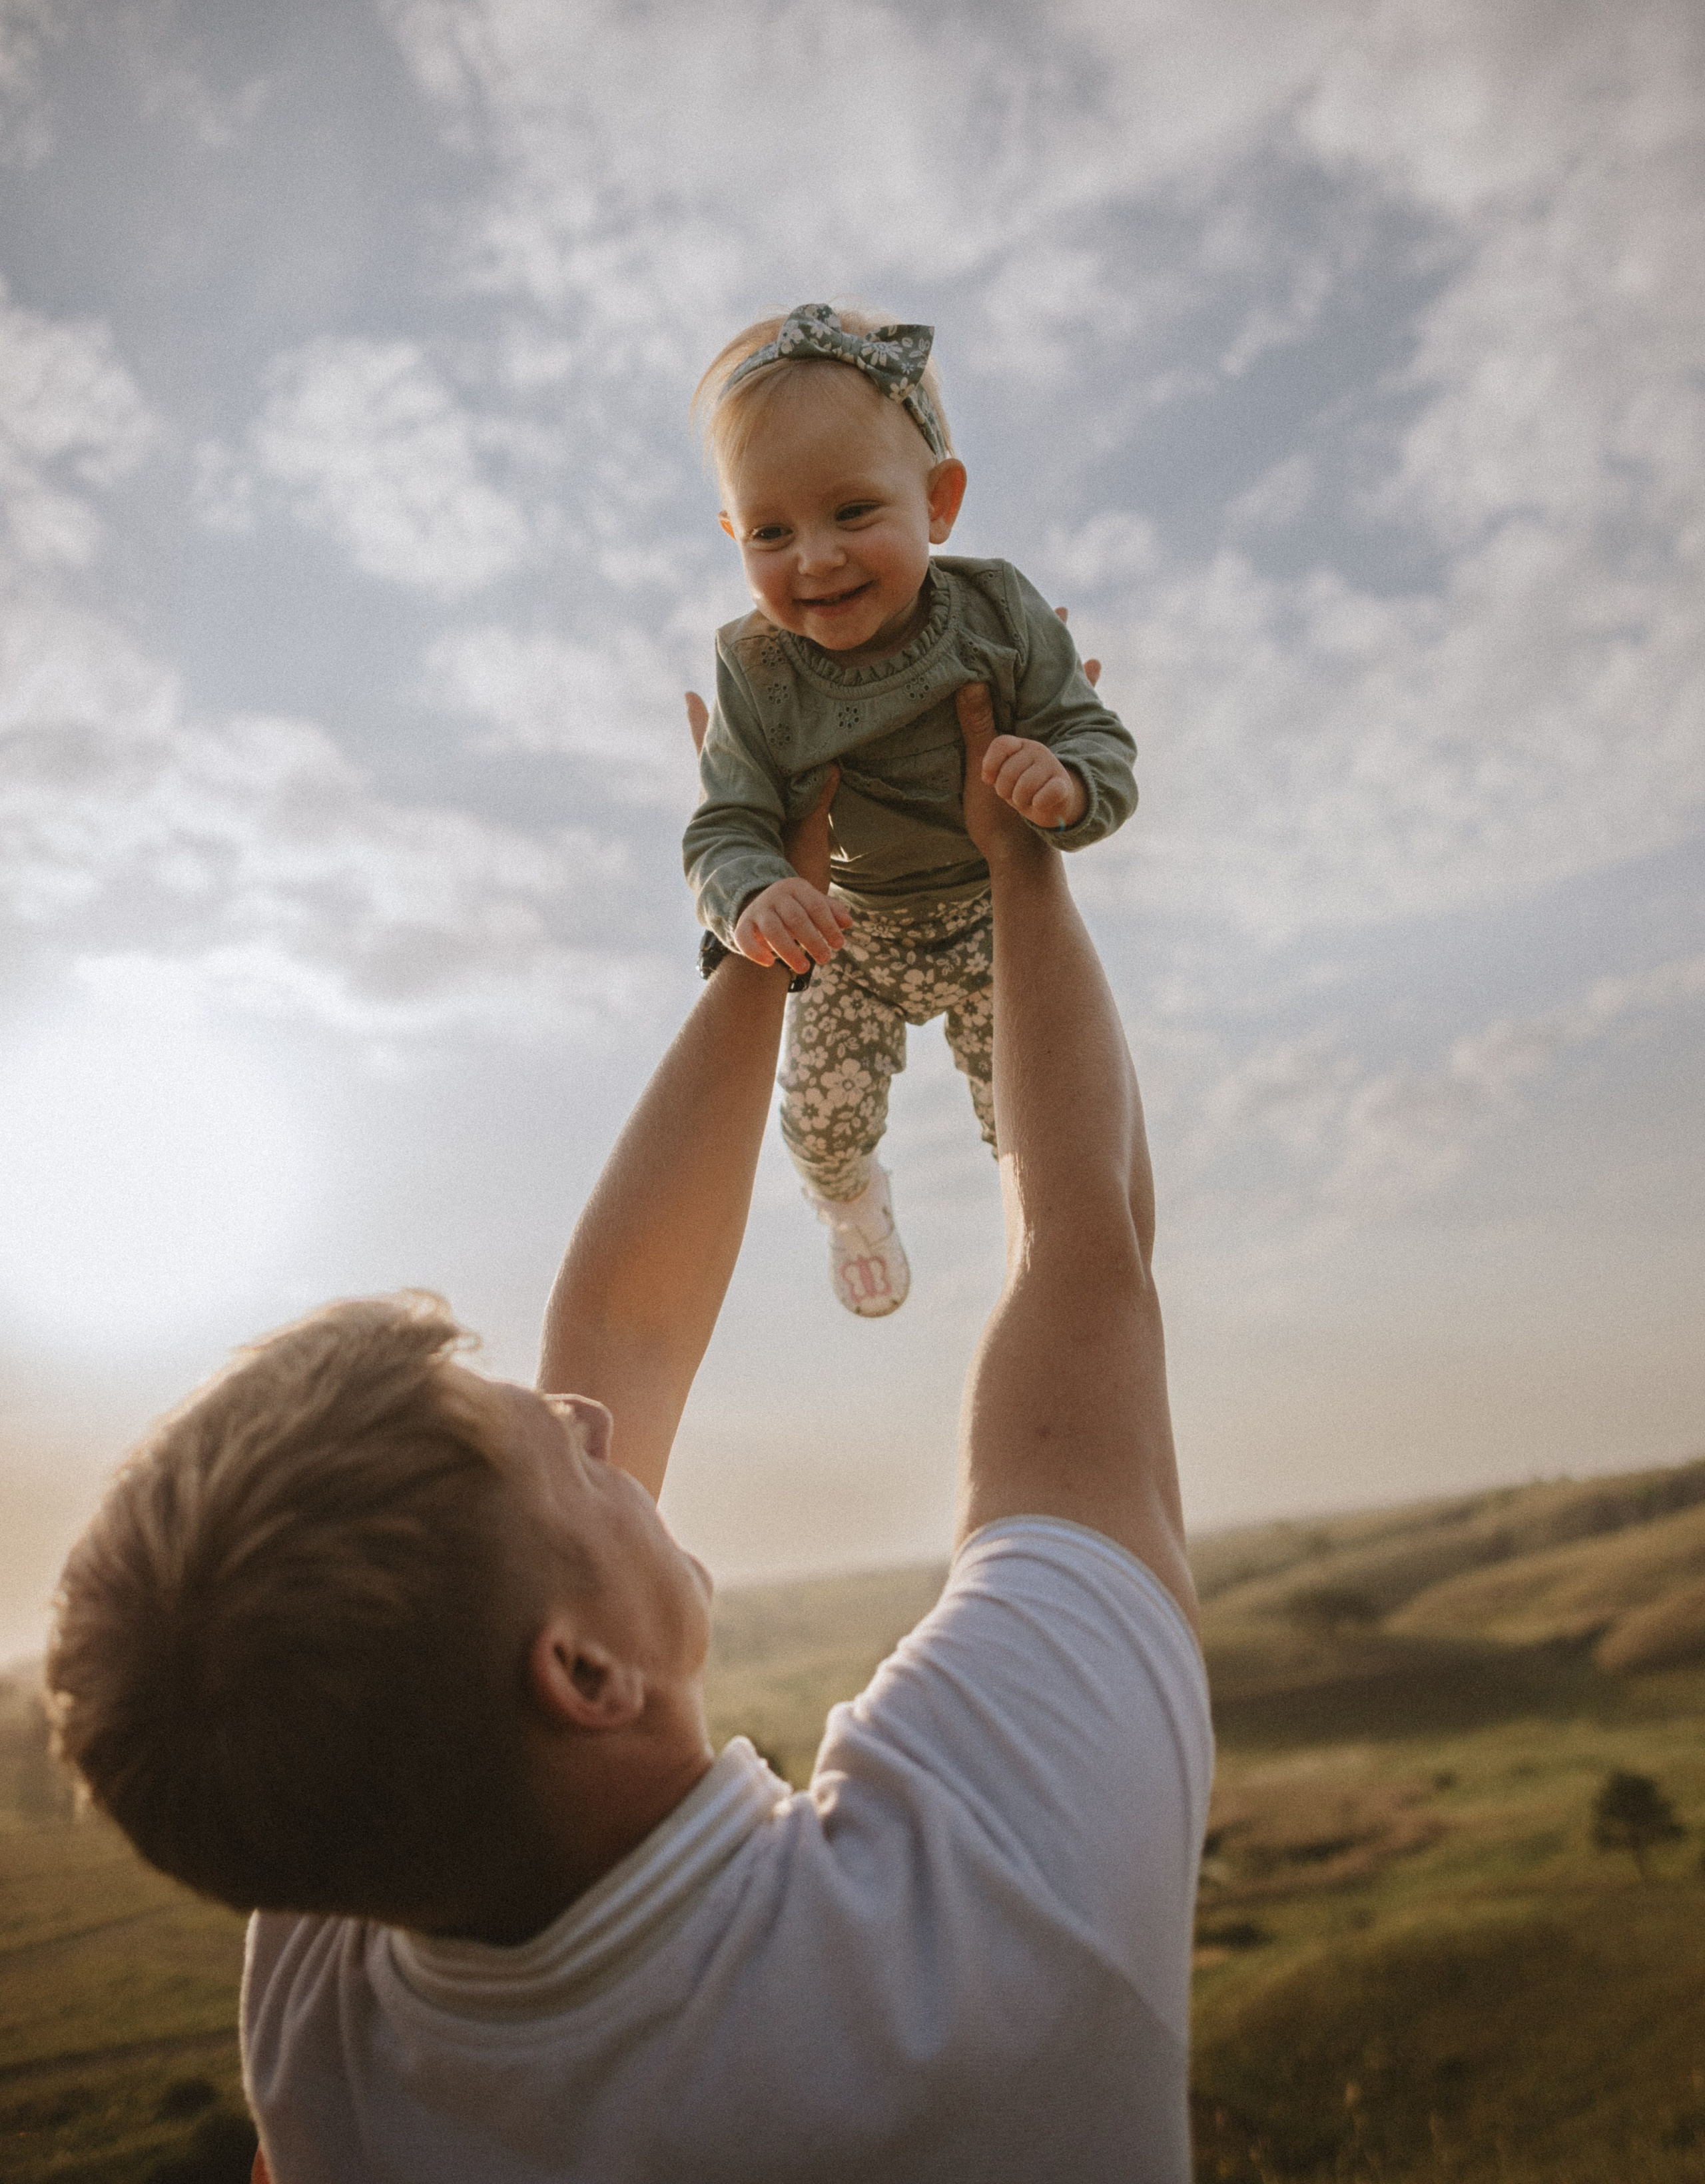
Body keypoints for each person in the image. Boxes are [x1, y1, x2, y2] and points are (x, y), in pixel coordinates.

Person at [46, 685, 1208, 2184]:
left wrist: (764, 927)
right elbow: (1084, 1253)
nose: (586, 1410)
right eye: (558, 1451)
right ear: (581, 1674)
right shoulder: (976, 1911)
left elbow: (623, 1341)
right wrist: (1012, 862)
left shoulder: (335, 1991)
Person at [685, 301, 1138, 1315]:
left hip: (991, 916)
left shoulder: (997, 615)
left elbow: (1094, 733)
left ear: (940, 501)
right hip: (852, 926)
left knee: (1034, 1112)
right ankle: (851, 1205)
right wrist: (754, 894)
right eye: (771, 530)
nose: (815, 557)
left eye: (853, 514)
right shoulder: (755, 670)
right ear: (733, 534)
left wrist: (1066, 785)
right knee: (820, 1120)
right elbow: (725, 825)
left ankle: (1049, 1251)